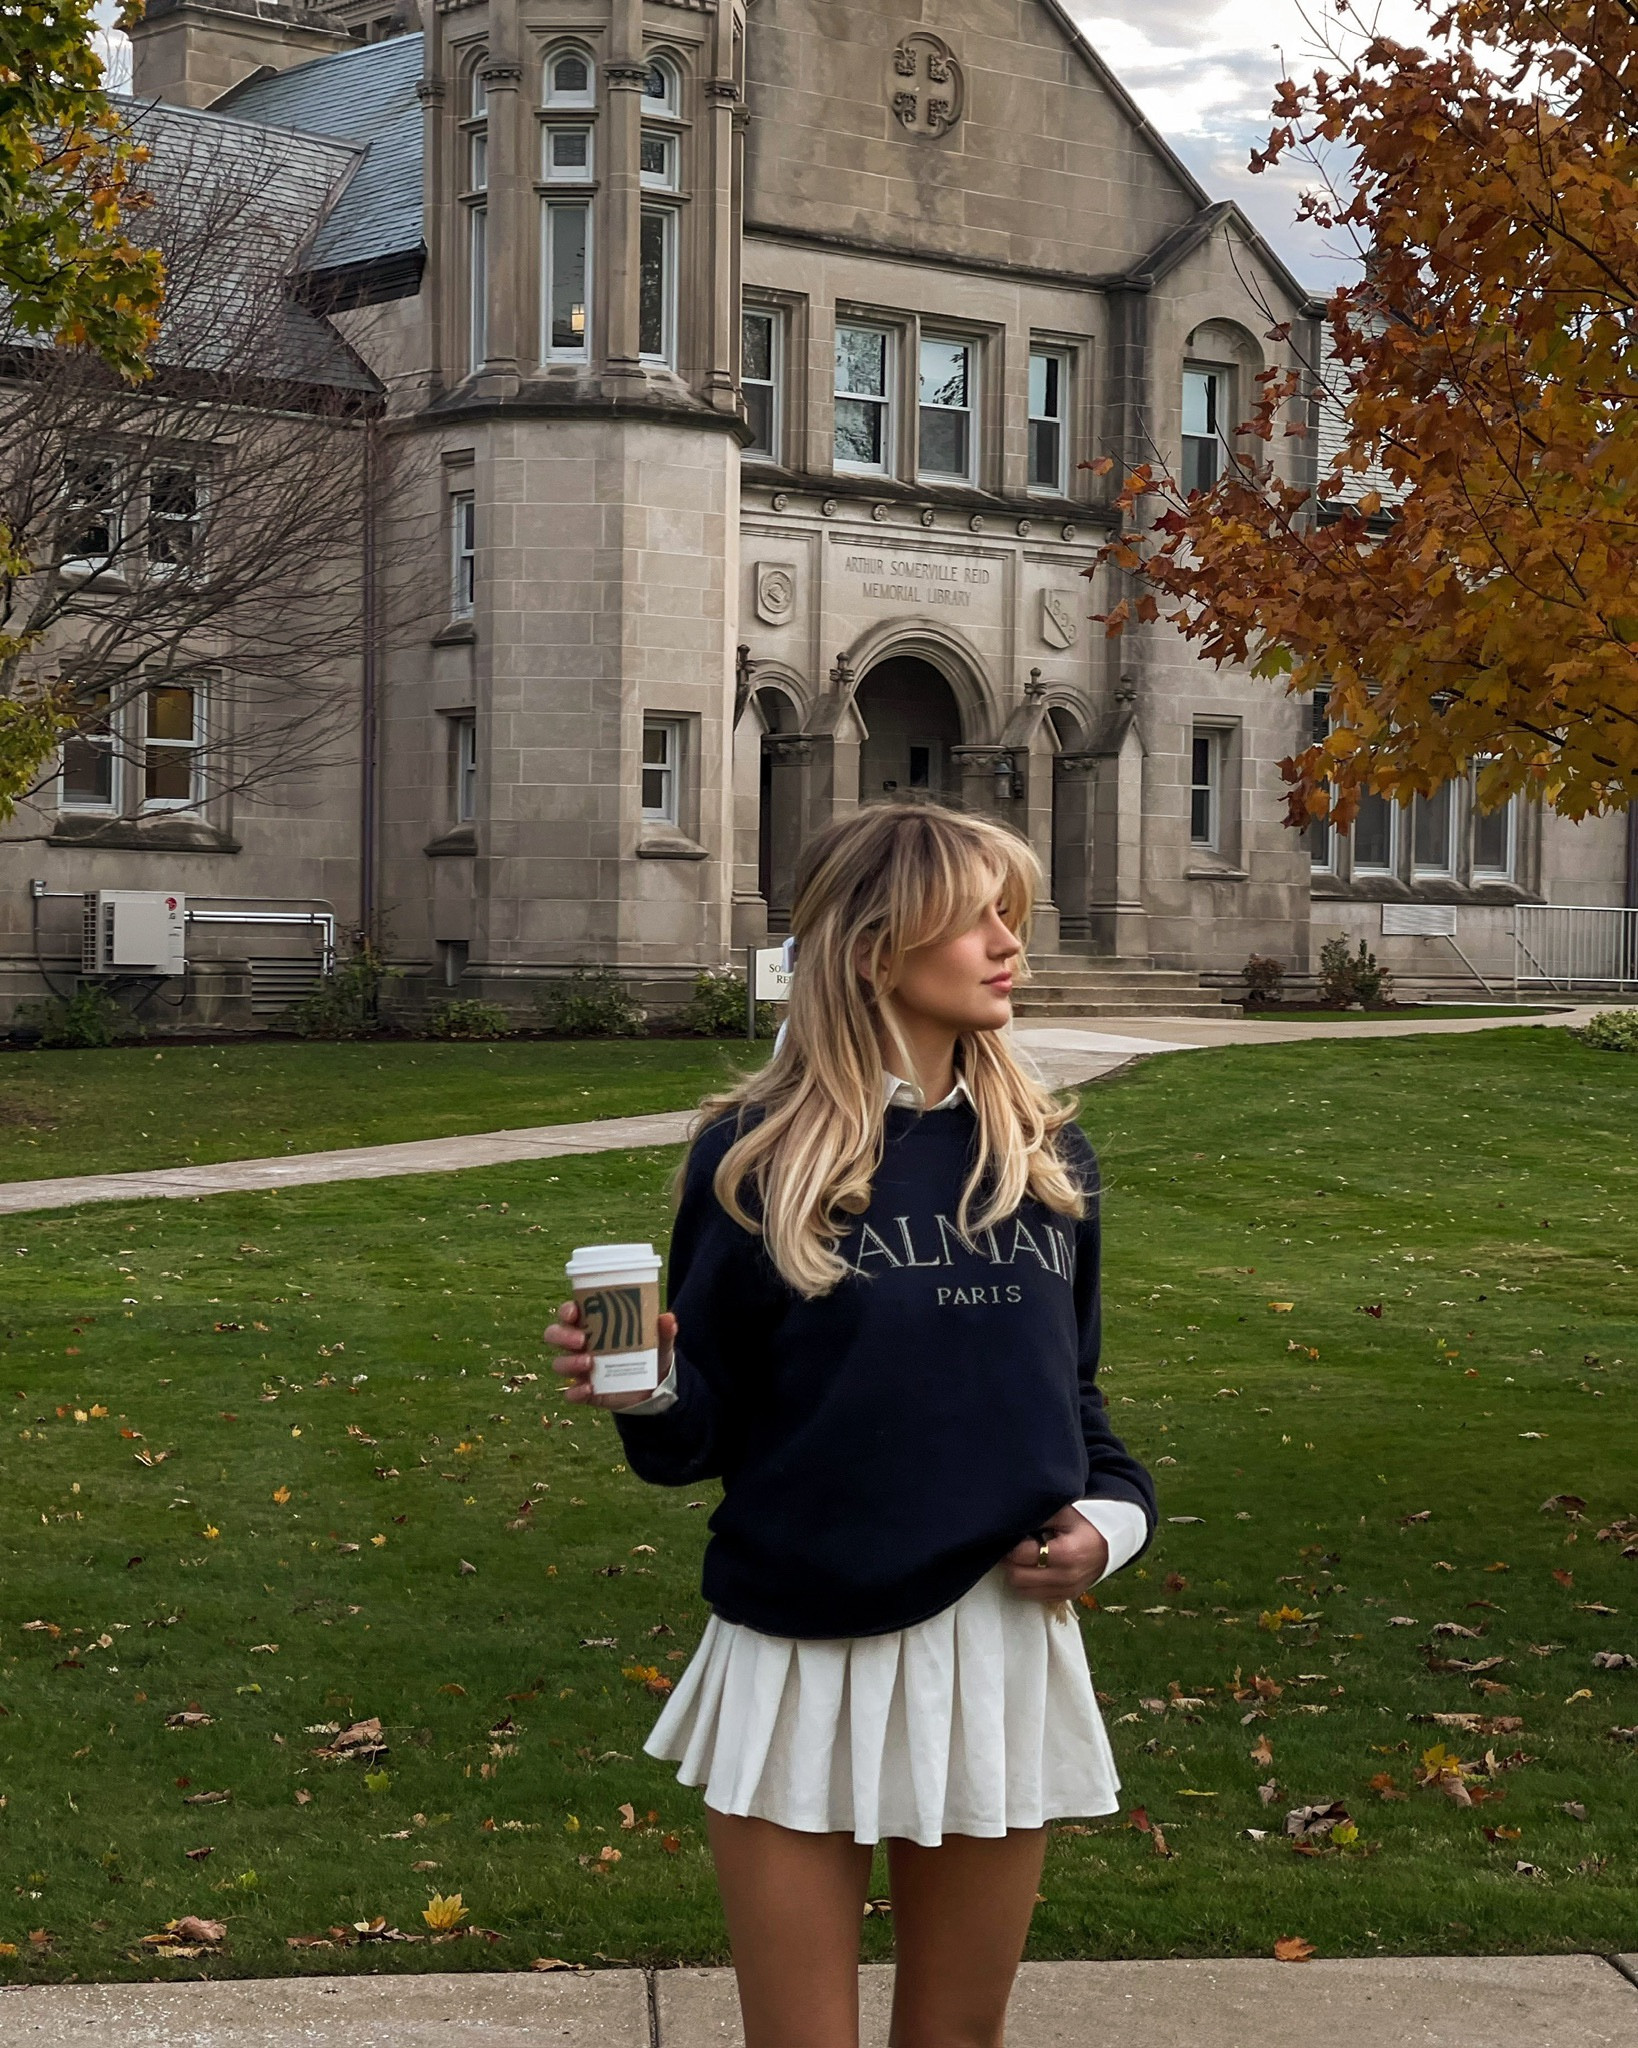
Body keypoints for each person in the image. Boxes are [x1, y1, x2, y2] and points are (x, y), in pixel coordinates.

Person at [545, 802, 1156, 2048]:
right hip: (797, 1650)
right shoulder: (753, 1159)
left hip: (994, 1646)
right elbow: (694, 1440)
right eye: (977, 918)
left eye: (1011, 917)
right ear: (874, 948)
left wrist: (1113, 1521)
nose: (1010, 945)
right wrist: (644, 1383)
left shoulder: (1045, 1159)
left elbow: (1076, 1400)